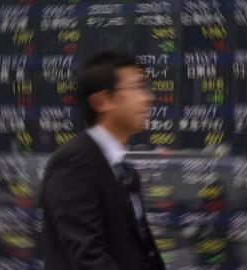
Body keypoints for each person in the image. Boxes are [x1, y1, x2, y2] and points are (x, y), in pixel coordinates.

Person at [39, 52, 166, 270]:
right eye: (136, 87)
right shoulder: (75, 163)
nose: (147, 98)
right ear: (101, 101)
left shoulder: (124, 171)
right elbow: (88, 256)